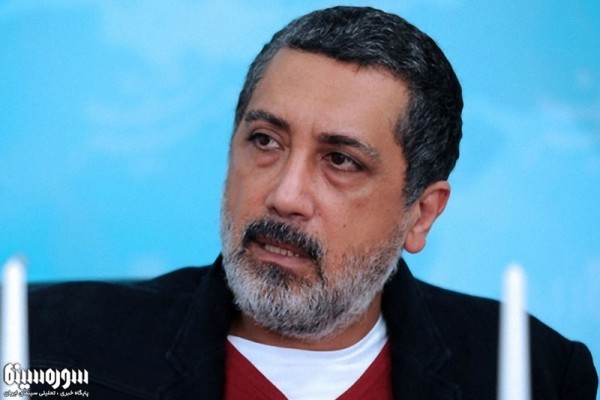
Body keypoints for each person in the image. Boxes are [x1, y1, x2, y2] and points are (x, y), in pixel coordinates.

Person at [28, 6, 597, 399]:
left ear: (421, 213)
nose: (285, 196)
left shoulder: (534, 372)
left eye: (341, 160)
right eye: (265, 141)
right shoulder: (48, 346)